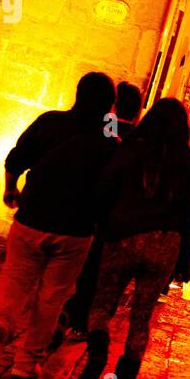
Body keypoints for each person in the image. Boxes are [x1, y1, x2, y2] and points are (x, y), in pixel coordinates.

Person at [0, 72, 116, 379]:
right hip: (74, 230)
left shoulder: (50, 122)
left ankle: (2, 322)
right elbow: (108, 191)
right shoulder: (108, 144)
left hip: (32, 217)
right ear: (109, 105)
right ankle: (25, 364)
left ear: (78, 95)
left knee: (15, 276)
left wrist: (10, 188)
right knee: (51, 297)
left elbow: (16, 158)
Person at [72, 98, 190, 379]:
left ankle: (98, 353)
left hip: (124, 237)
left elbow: (104, 188)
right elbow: (188, 216)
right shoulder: (187, 162)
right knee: (142, 318)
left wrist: (100, 224)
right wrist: (183, 262)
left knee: (103, 304)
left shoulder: (130, 149)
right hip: (165, 245)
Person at [59, 80, 145, 337]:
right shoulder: (139, 142)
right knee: (98, 275)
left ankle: (64, 315)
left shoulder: (101, 132)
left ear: (114, 105)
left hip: (86, 213)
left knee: (74, 269)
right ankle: (82, 322)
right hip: (117, 222)